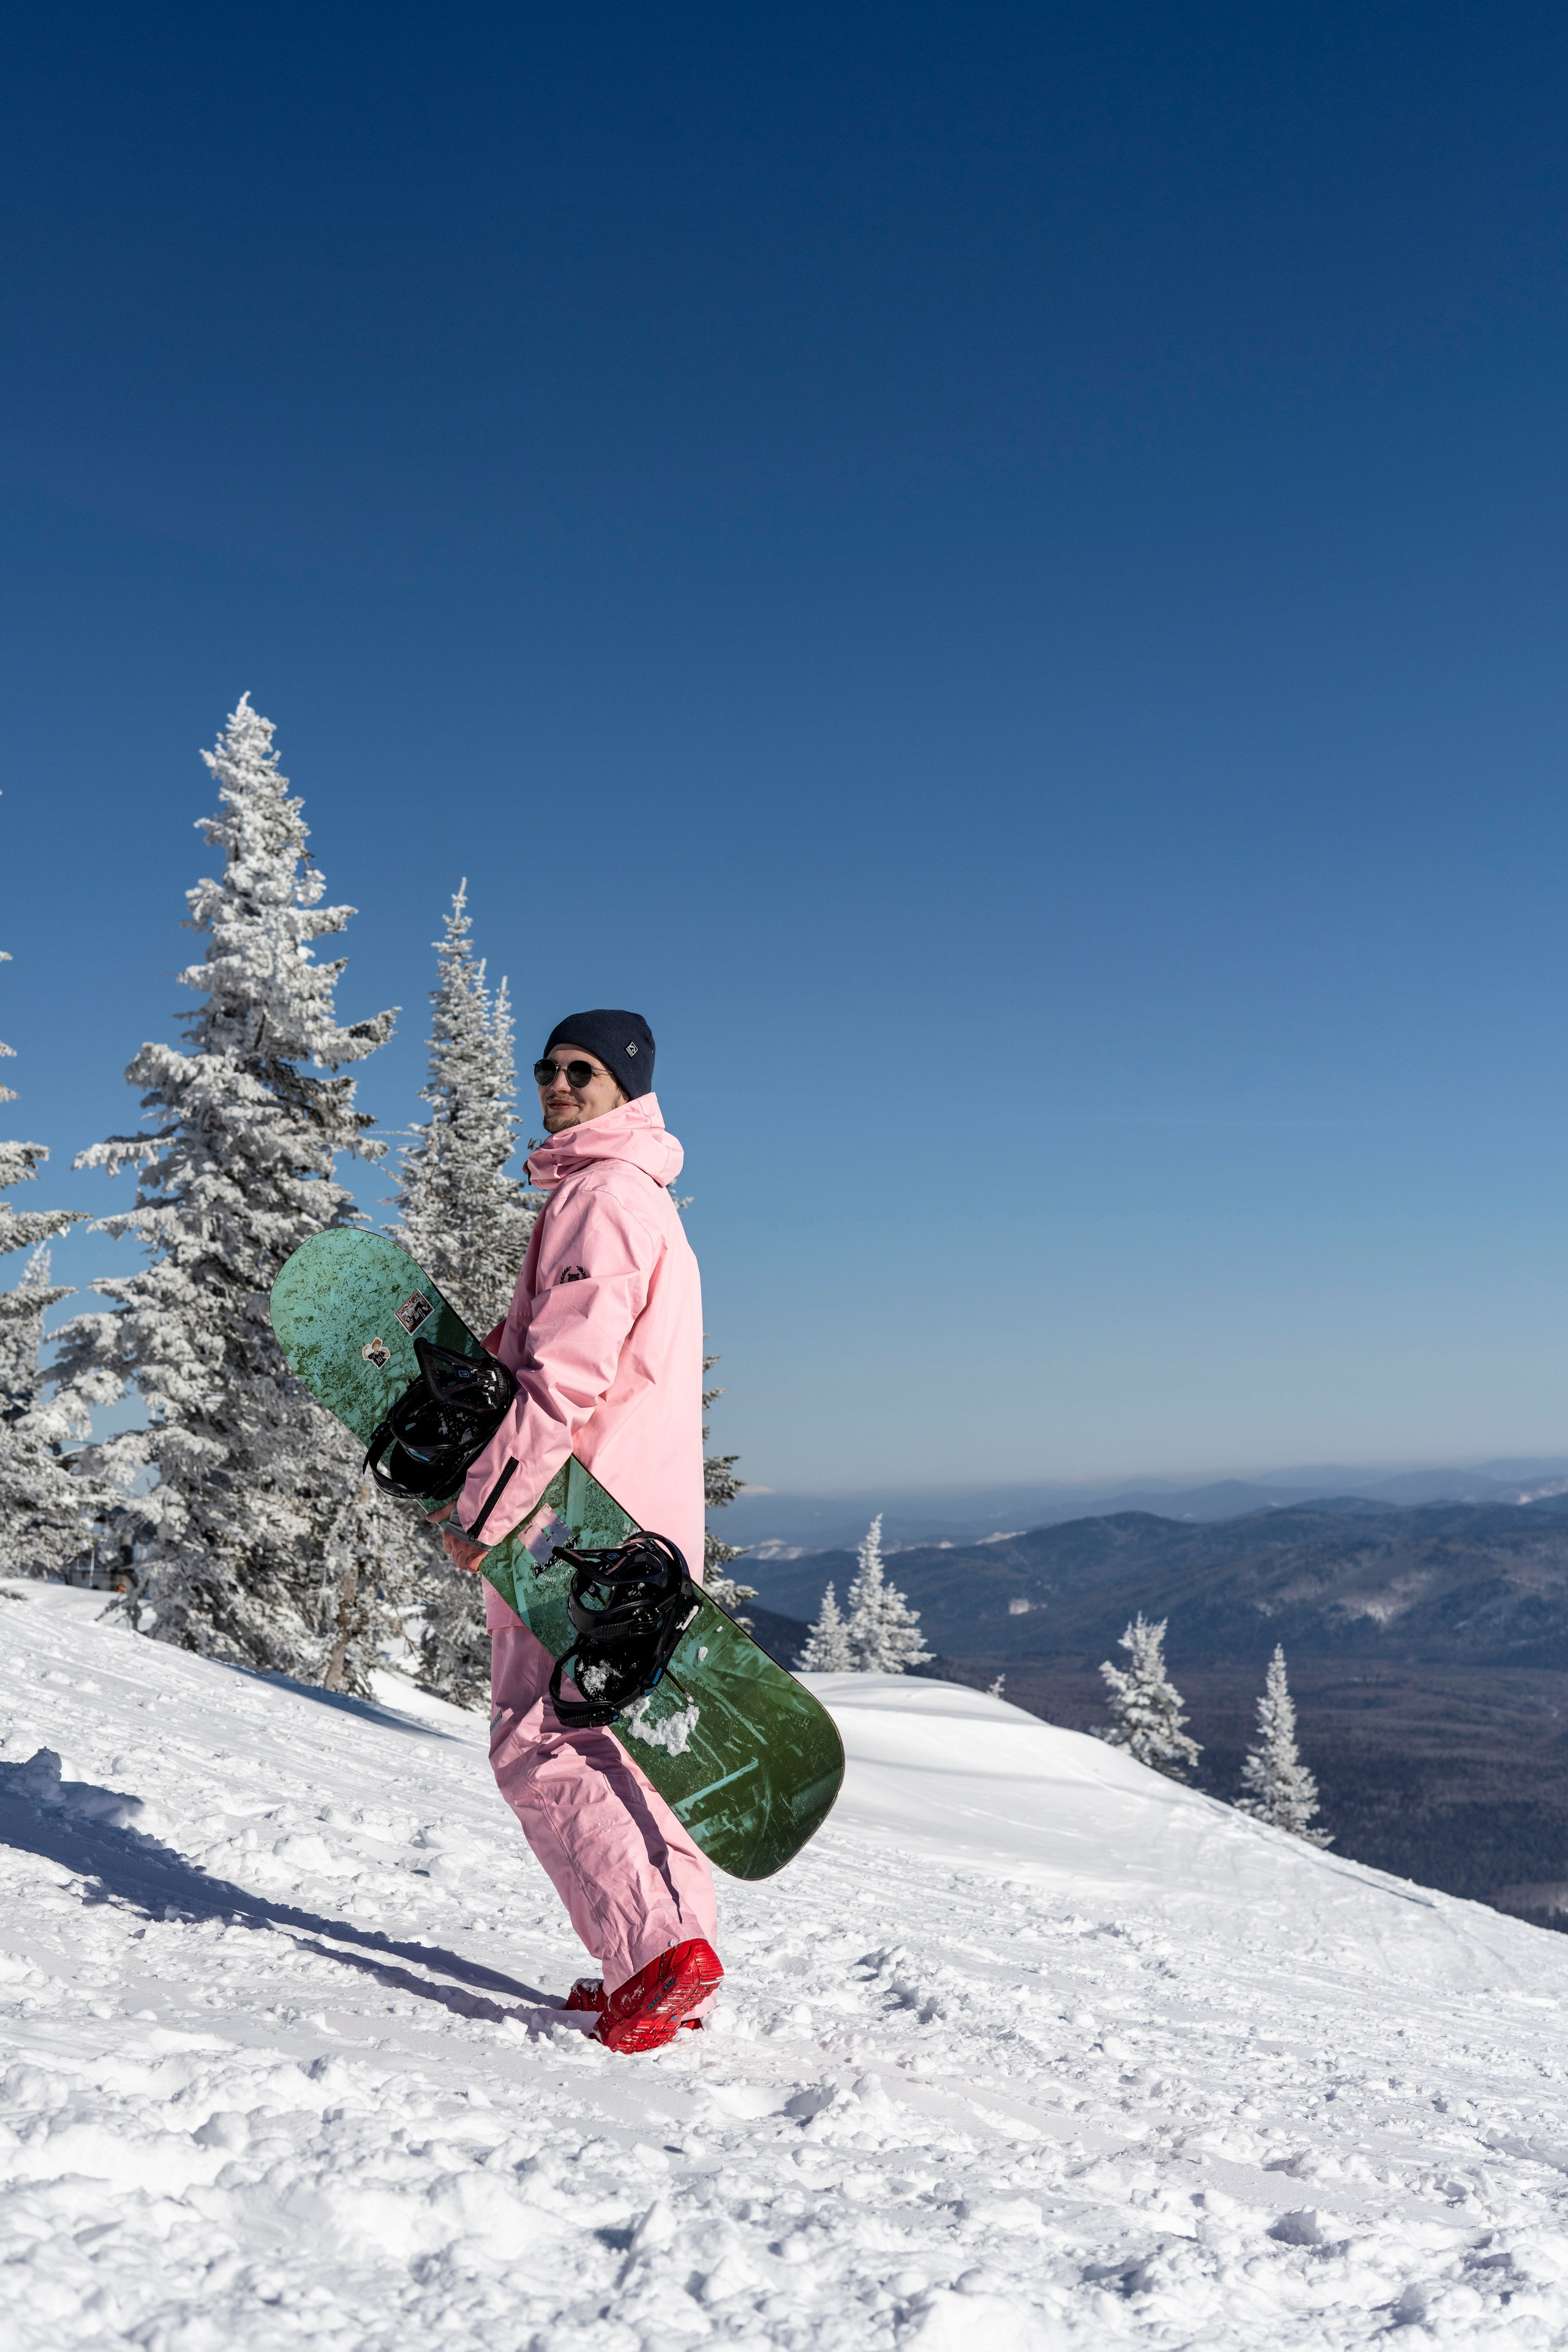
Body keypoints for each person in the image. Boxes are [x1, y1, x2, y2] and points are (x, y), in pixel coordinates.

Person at [439, 1010, 722, 2052]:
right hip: (643, 1528)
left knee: (541, 1740)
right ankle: (667, 1959)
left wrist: (487, 1512)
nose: (556, 1084)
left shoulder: (599, 1200)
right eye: (548, 1068)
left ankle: (654, 1959)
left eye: (582, 1071)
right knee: (622, 1748)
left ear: (627, 1087)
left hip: (578, 1526)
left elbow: (563, 1377)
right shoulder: (643, 1201)